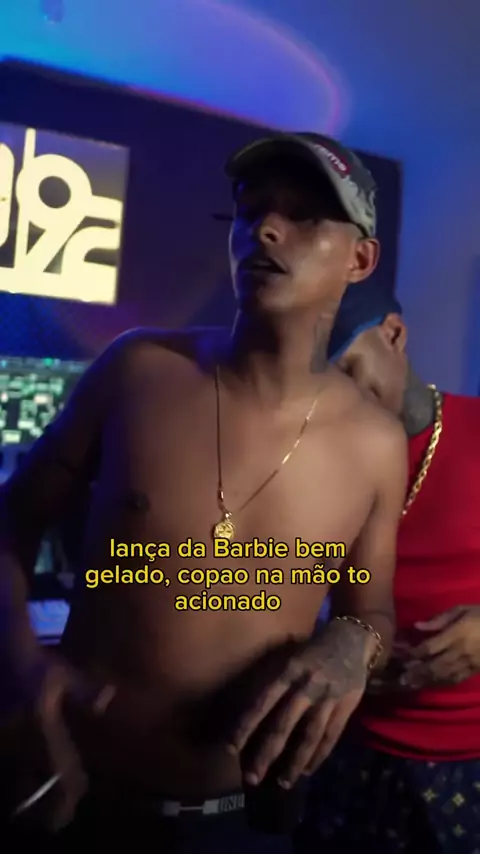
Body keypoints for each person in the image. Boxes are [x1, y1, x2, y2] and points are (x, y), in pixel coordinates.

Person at [0, 132, 407, 852]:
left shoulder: (376, 444)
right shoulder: (138, 370)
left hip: (236, 822)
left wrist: (352, 643)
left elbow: (370, 609)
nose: (267, 228)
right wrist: (21, 663)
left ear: (360, 259)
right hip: (75, 794)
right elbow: (11, 522)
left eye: (303, 214)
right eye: (253, 209)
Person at [298, 281, 480, 853]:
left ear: (394, 335)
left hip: (471, 759)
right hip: (347, 754)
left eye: (350, 370)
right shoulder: (313, 460)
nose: (343, 399)